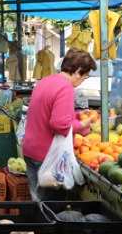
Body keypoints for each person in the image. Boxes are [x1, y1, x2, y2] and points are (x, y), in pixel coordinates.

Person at [23, 49, 96, 201]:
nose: (82, 81)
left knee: (38, 202)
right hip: (48, 155)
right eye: (85, 77)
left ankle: (38, 224)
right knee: (51, 208)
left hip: (31, 149)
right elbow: (59, 125)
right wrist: (84, 123)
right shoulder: (65, 87)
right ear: (77, 71)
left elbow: (49, 112)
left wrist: (77, 115)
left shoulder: (46, 81)